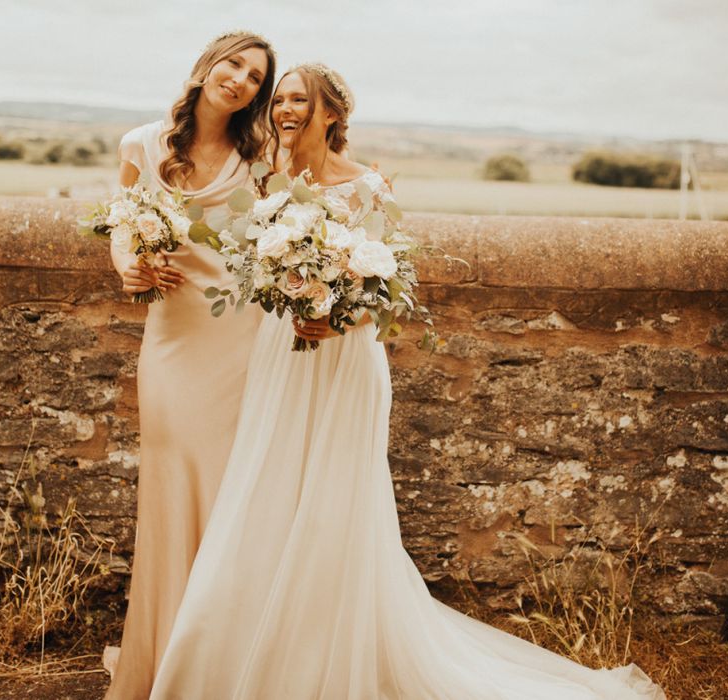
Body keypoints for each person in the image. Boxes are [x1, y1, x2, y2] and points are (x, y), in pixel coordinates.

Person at [149, 64, 666, 699]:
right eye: (279, 99)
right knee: (266, 492)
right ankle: (251, 644)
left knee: (337, 506)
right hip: (279, 356)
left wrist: (338, 318)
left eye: (298, 101)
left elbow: (389, 291)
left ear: (334, 114)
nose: (284, 110)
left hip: (344, 361)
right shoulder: (265, 179)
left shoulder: (368, 187)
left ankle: (326, 659)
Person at [103, 31, 276, 700]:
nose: (240, 80)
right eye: (234, 63)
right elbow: (122, 224)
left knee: (236, 490)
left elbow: (304, 215)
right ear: (208, 64)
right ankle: (168, 652)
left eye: (255, 77)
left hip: (244, 338)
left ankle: (230, 655)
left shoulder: (259, 157)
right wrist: (131, 265)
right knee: (175, 488)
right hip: (174, 338)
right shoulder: (142, 145)